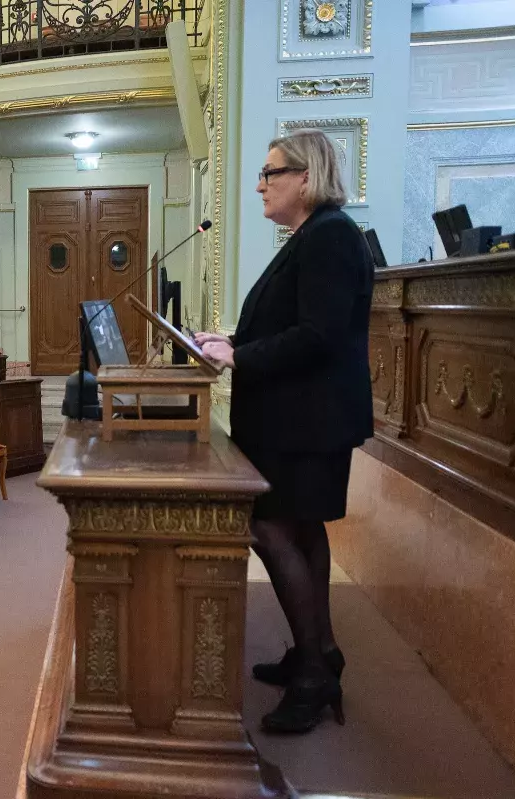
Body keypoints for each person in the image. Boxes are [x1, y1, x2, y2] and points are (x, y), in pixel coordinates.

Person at [196, 129, 373, 735]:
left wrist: (240, 358)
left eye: (270, 173)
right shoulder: (313, 237)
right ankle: (316, 651)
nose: (260, 184)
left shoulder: (328, 238)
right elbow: (294, 325)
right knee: (301, 531)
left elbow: (317, 337)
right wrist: (235, 342)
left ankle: (315, 677)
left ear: (305, 176)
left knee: (269, 528)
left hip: (307, 421)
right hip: (302, 419)